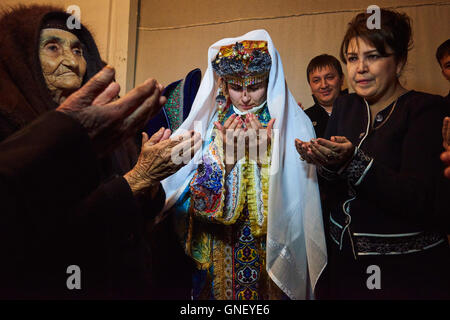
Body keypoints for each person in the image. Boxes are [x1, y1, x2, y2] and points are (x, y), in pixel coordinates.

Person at [159, 30, 326, 300]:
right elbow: (193, 201)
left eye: (255, 86)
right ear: (224, 85)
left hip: (270, 247)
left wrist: (267, 157)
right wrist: (224, 160)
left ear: (269, 81)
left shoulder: (291, 123)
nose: (245, 97)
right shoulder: (210, 125)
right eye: (237, 87)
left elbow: (299, 196)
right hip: (221, 246)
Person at [296, 9, 450, 299]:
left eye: (374, 56)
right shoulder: (346, 106)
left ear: (400, 61)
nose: (360, 68)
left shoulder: (426, 110)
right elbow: (333, 184)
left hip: (405, 271)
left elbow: (420, 200)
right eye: (353, 58)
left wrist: (353, 162)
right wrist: (321, 161)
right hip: (345, 263)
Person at [304, 54, 346, 138]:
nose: (324, 85)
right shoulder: (305, 118)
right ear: (311, 86)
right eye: (316, 80)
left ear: (341, 79)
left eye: (329, 77)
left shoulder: (359, 110)